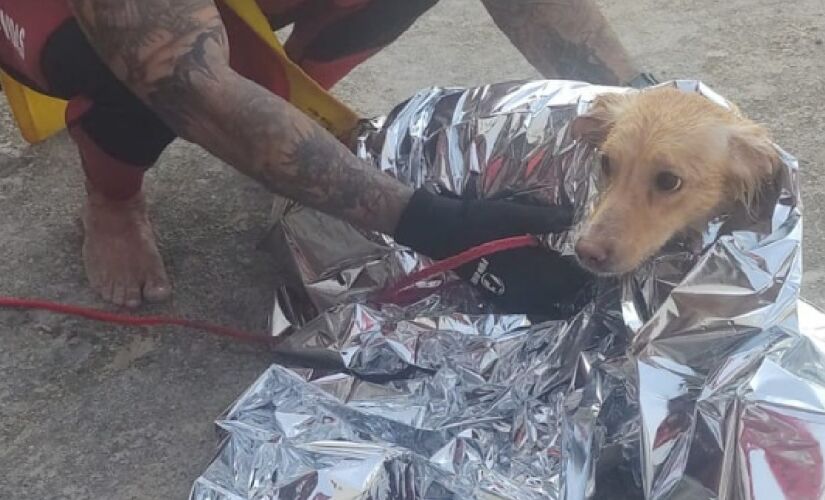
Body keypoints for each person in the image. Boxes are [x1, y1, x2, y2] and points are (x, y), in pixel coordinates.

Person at [0, 0, 652, 313]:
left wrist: (649, 108)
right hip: (74, 19)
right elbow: (186, 84)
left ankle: (284, 106)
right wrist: (433, 225)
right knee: (144, 78)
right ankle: (112, 200)